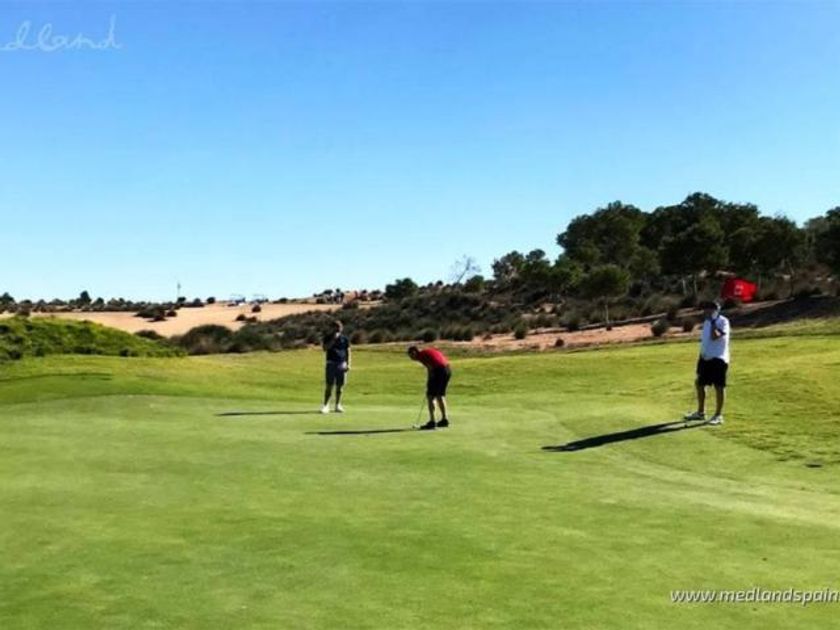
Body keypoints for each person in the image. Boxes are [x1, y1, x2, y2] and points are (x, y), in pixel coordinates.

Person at [684, 300, 730, 425]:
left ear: (715, 311)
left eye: (709, 309)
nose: (705, 311)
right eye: (705, 309)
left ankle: (718, 415)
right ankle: (701, 413)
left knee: (719, 387)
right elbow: (706, 341)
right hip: (705, 358)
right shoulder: (707, 322)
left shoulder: (723, 321)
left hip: (719, 359)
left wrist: (714, 321)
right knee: (699, 384)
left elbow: (715, 336)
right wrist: (701, 355)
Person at [407, 345, 452, 430]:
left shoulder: (420, 356)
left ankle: (432, 422)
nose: (411, 358)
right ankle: (444, 420)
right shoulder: (426, 352)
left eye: (411, 355)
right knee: (440, 395)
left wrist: (429, 382)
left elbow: (430, 368)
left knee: (430, 396)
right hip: (447, 369)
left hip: (439, 370)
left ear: (414, 352)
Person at [321, 320, 351, 414]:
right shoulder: (327, 337)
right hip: (331, 363)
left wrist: (348, 364)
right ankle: (326, 405)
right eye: (336, 327)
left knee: (340, 386)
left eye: (339, 327)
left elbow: (348, 351)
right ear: (332, 328)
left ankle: (338, 405)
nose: (338, 329)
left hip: (341, 364)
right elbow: (325, 348)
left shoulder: (345, 339)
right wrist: (333, 340)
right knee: (329, 385)